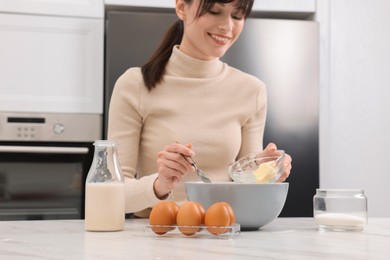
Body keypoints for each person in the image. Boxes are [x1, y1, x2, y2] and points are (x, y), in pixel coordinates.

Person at [108, 0, 292, 218]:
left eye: (237, 16)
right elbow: (111, 194)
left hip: (223, 239)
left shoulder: (252, 90)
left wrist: (267, 171)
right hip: (156, 241)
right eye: (214, 11)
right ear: (181, 7)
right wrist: (159, 184)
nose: (227, 27)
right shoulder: (135, 84)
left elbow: (248, 186)